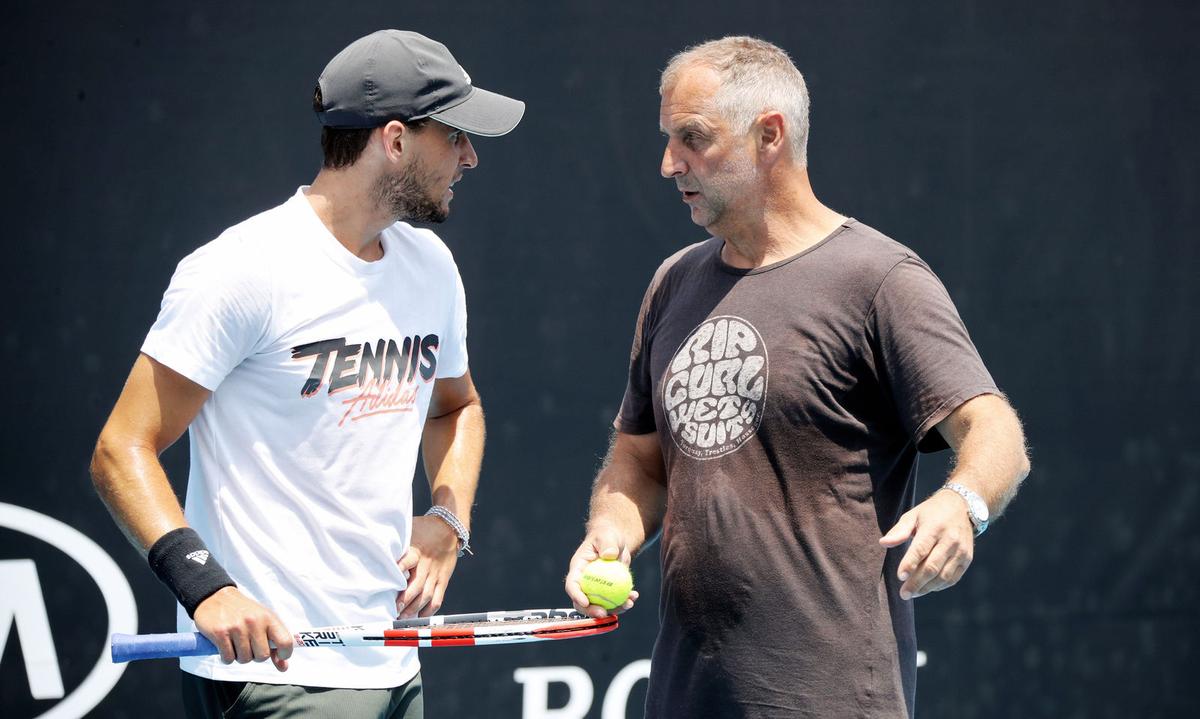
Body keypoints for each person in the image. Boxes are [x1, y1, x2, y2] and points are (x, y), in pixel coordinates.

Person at [564, 36, 1029, 718]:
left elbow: (994, 428)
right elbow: (639, 460)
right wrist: (611, 530)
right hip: (684, 697)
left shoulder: (880, 279)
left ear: (769, 136)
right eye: (667, 139)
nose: (669, 163)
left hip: (834, 699)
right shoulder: (673, 283)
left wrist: (964, 504)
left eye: (693, 138)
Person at [91, 30, 523, 718]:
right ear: (395, 140)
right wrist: (206, 588)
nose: (469, 156)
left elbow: (456, 407)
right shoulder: (243, 269)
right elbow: (121, 449)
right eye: (455, 136)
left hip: (394, 660)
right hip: (275, 673)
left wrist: (448, 518)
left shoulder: (432, 266)